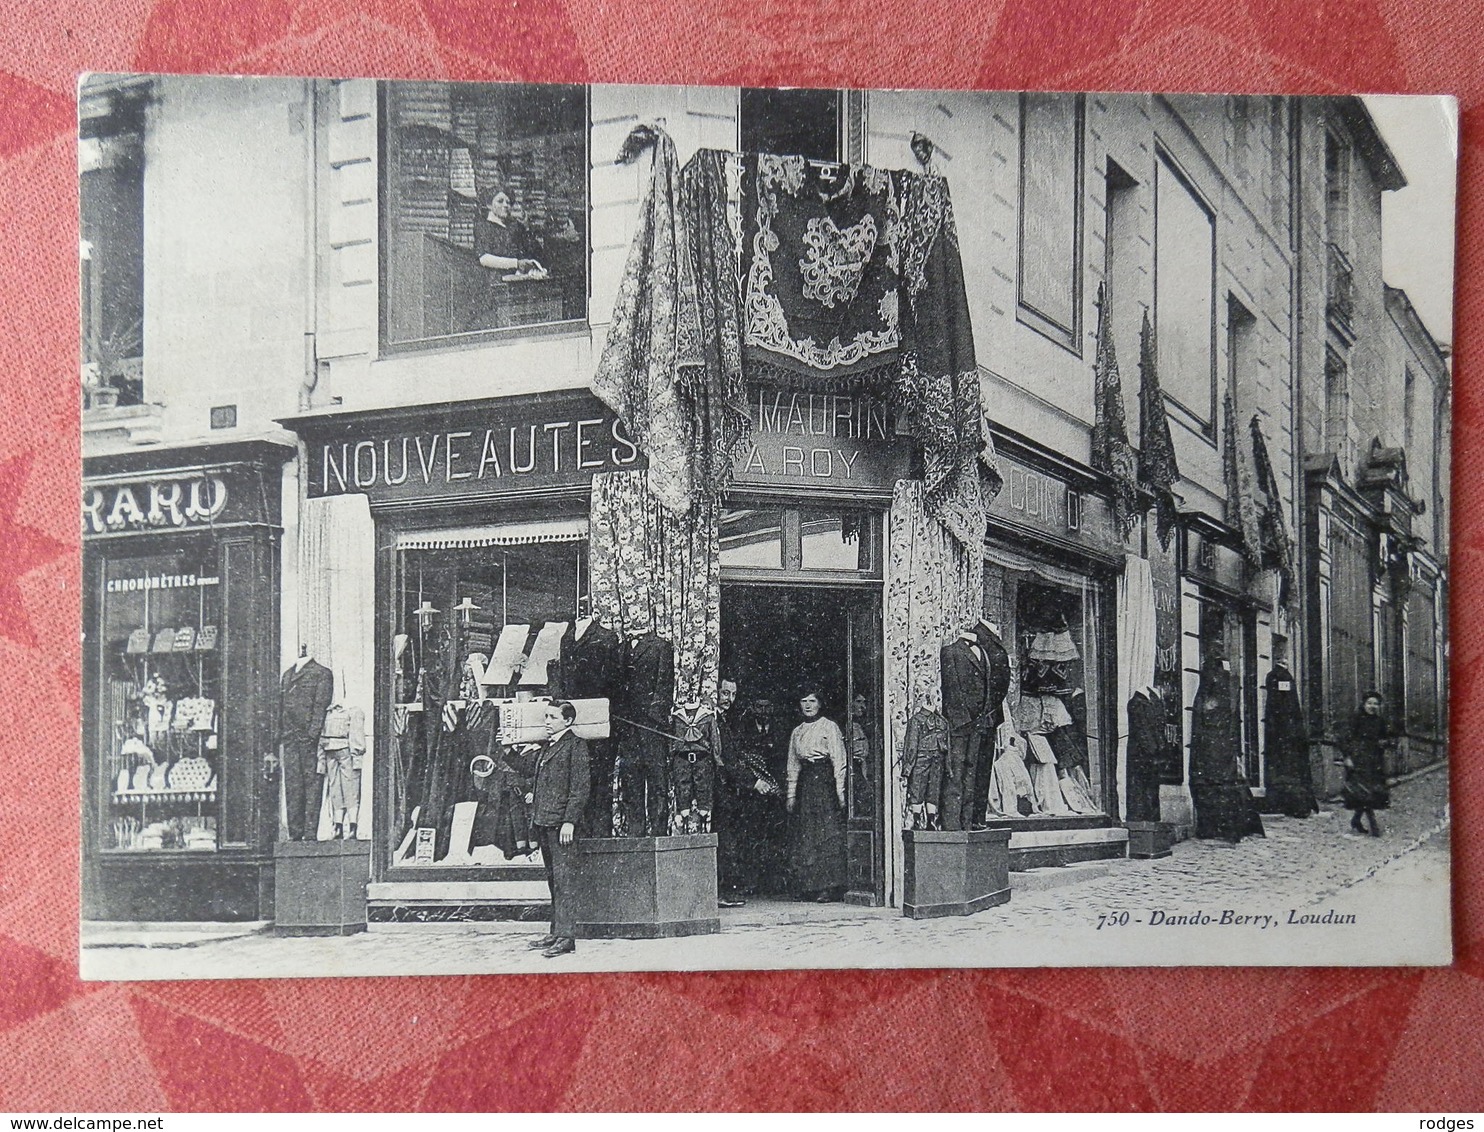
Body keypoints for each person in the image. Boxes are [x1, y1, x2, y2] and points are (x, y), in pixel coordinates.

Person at [527, 700, 589, 958]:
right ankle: (556, 931)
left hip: (561, 826)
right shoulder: (547, 747)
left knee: (565, 881)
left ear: (568, 721)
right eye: (546, 716)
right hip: (545, 822)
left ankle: (566, 937)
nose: (547, 721)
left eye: (552, 717)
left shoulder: (576, 746)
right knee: (554, 880)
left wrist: (569, 821)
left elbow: (580, 788)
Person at [785, 687, 848, 902]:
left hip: (824, 782)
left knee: (826, 833)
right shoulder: (797, 731)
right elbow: (792, 765)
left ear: (820, 703)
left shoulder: (829, 727)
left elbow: (839, 760)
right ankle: (808, 886)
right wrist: (791, 795)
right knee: (807, 834)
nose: (808, 705)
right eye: (803, 701)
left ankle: (827, 887)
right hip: (806, 783)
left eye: (812, 701)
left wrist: (840, 791)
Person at [1340, 691, 1393, 837]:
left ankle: (1356, 820)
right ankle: (1374, 827)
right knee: (1364, 793)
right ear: (1363, 704)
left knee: (1369, 793)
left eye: (1376, 704)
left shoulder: (1380, 721)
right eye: (1369, 703)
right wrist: (1347, 757)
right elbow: (1345, 739)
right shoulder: (1355, 719)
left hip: (1374, 761)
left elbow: (1385, 737)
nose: (1372, 706)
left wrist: (1385, 743)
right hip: (1358, 760)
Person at [475, 189, 544, 275]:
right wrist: (516, 263)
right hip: (495, 279)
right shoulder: (484, 226)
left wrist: (526, 229)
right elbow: (484, 259)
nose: (506, 205)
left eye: (508, 203)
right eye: (500, 201)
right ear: (489, 205)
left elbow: (534, 251)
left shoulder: (515, 227)